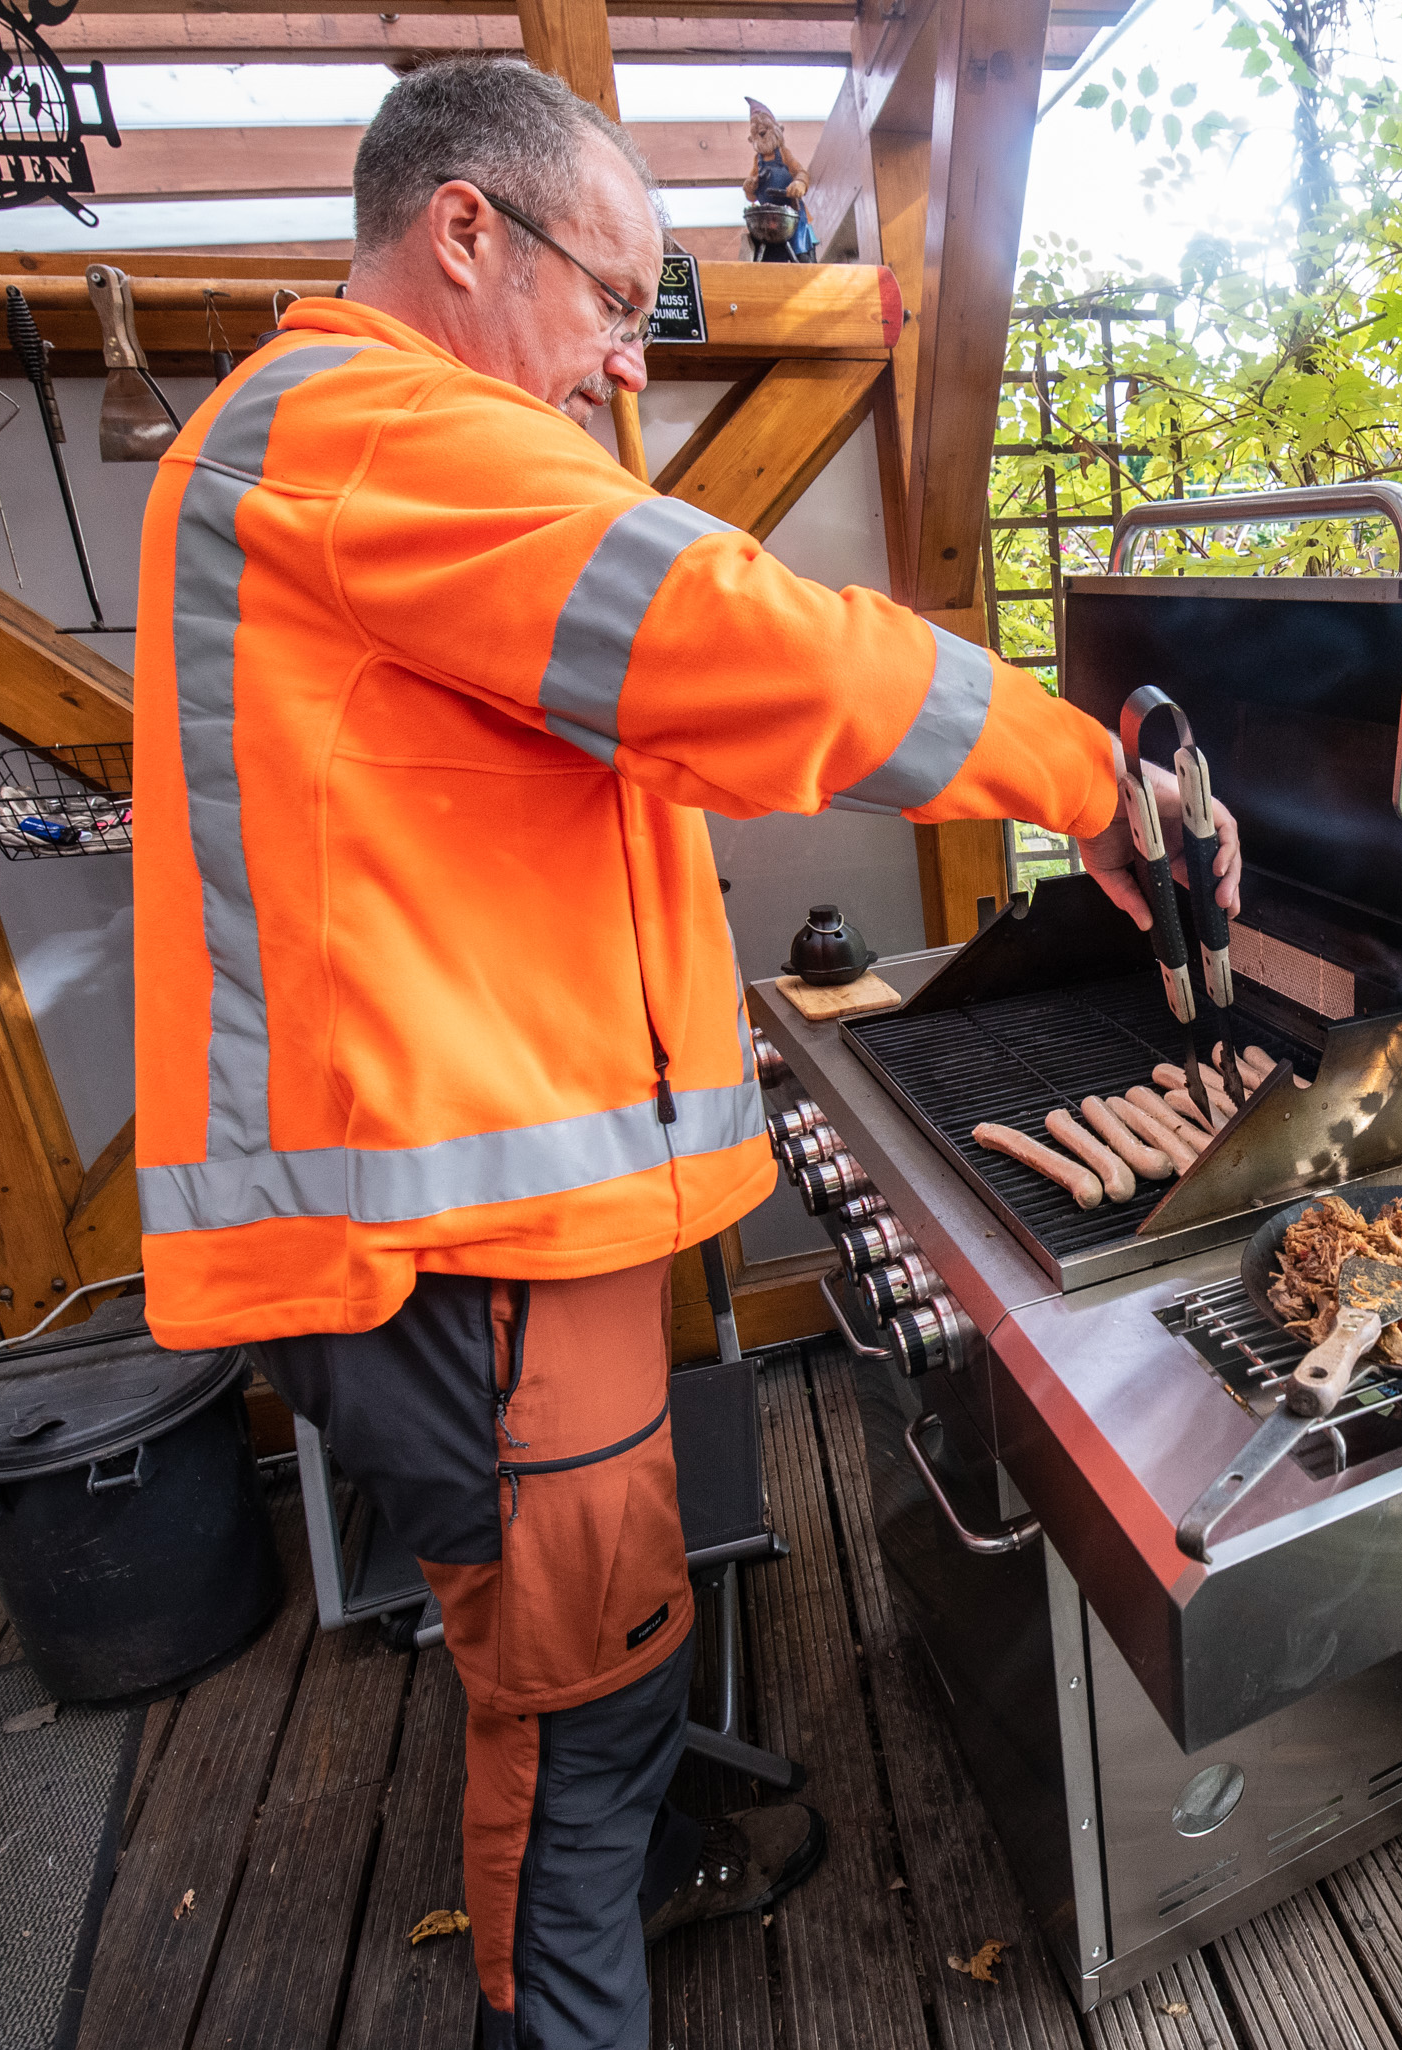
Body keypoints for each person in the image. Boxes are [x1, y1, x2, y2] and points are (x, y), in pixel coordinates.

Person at [126, 58, 1236, 2050]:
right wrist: (1087, 779)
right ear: (465, 231)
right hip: (470, 1266)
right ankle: (568, 1982)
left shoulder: (354, 454)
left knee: (586, 1660)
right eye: (615, 306)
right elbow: (744, 647)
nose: (622, 381)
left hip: (499, 1241)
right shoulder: (370, 430)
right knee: (575, 1698)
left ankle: (631, 1867)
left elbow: (611, 751)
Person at [741, 96, 816, 261]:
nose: (761, 131)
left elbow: (801, 172)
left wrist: (799, 183)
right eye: (757, 130)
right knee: (767, 253)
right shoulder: (757, 161)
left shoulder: (783, 154)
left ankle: (802, 255)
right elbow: (751, 196)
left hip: (791, 213)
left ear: (776, 129)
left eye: (765, 127)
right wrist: (750, 186)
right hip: (769, 219)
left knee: (800, 250)